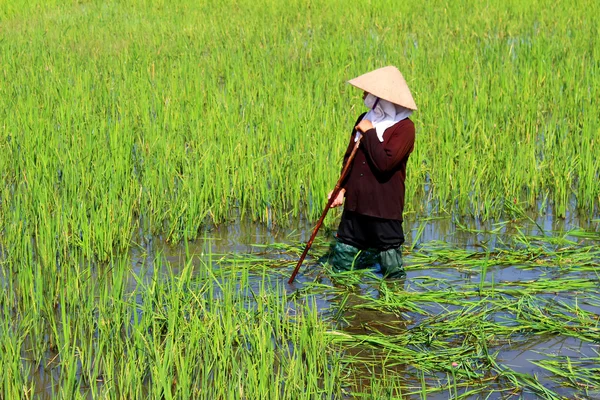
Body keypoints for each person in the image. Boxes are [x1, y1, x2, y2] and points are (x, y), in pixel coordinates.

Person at [327, 66, 417, 278]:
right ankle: (344, 303)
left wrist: (369, 132)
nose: (363, 95)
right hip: (356, 206)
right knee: (341, 265)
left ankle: (391, 310)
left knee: (391, 272)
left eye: (367, 93)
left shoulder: (404, 128)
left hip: (383, 210)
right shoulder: (364, 118)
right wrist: (340, 189)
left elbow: (385, 163)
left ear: (381, 98)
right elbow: (350, 158)